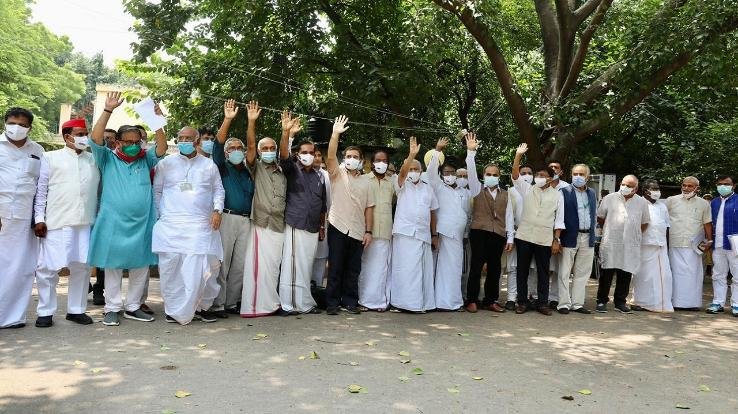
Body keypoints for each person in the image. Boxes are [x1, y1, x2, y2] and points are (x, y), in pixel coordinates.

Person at [87, 92, 167, 326]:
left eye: (137, 141)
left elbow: (161, 147)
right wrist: (108, 110)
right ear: (118, 142)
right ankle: (112, 307)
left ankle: (133, 306)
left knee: (140, 264)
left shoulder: (146, 158)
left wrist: (157, 122)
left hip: (143, 220)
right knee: (112, 265)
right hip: (113, 220)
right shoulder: (107, 158)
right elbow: (95, 137)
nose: (134, 146)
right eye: (128, 142)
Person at [152, 127, 225, 324]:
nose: (183, 141)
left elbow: (218, 190)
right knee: (170, 270)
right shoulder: (166, 163)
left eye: (188, 138)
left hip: (200, 226)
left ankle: (201, 307)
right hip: (170, 226)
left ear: (197, 140)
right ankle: (173, 310)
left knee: (202, 270)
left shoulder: (209, 165)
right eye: (180, 138)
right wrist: (161, 215)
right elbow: (156, 191)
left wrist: (217, 210)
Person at [33, 118, 99, 328]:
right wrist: (39, 219)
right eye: (79, 134)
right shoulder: (50, 157)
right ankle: (45, 312)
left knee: (82, 267)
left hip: (85, 222)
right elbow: (41, 191)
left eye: (85, 133)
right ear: (67, 136)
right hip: (56, 221)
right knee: (47, 268)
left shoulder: (94, 159)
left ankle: (76, 310)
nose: (83, 137)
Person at [240, 101, 288, 317]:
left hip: (279, 223)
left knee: (273, 267)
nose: (269, 151)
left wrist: (285, 133)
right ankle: (255, 307)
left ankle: (272, 304)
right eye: (264, 148)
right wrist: (251, 122)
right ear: (259, 151)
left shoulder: (282, 169)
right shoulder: (255, 166)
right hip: (261, 221)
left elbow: (286, 153)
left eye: (272, 148)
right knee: (259, 267)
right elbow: (249, 147)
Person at [325, 116, 375, 315]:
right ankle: (332, 304)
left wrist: (368, 231)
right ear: (344, 158)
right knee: (335, 267)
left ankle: (350, 302)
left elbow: (369, 208)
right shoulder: (337, 173)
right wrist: (335, 134)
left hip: (357, 230)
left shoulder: (366, 182)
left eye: (355, 157)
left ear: (361, 161)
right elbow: (330, 157)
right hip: (337, 225)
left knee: (353, 269)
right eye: (348, 156)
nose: (351, 159)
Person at [278, 112, 326, 316]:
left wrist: (322, 226)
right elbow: (283, 155)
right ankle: (288, 304)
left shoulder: (319, 176)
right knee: (291, 265)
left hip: (313, 227)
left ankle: (305, 303)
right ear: (298, 154)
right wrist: (287, 133)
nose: (308, 155)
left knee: (306, 266)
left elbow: (322, 204)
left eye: (311, 152)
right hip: (295, 223)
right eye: (304, 151)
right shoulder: (291, 169)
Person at [0, 107, 44, 329]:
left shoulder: (37, 150)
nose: (16, 127)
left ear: (29, 127)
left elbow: (40, 187)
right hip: (2, 215)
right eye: (12, 122)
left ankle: (13, 317)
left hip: (25, 219)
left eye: (22, 124)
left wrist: (39, 218)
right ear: (5, 122)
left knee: (23, 268)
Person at [211, 99, 256, 317]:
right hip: (226, 219)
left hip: (247, 220)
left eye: (239, 147)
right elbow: (218, 144)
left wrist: (250, 124)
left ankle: (231, 302)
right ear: (227, 152)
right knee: (223, 261)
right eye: (232, 148)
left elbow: (252, 147)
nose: (236, 150)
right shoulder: (222, 167)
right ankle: (218, 303)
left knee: (240, 264)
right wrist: (228, 119)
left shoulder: (249, 170)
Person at [510, 144, 565, 315]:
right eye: (537, 175)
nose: (539, 178)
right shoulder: (527, 189)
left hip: (544, 238)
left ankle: (542, 303)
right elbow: (515, 175)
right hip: (525, 236)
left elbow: (559, 221)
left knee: (543, 272)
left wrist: (556, 240)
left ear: (550, 178)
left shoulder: (558, 195)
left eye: (543, 175)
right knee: (522, 271)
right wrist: (518, 155)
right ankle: (522, 302)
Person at [429, 134, 480, 311]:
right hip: (440, 234)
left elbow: (468, 211)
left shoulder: (465, 191)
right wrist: (437, 151)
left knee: (454, 269)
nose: (449, 175)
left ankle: (452, 302)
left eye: (452, 173)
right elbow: (430, 172)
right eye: (446, 173)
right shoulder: (437, 186)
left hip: (458, 237)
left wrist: (471, 154)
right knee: (437, 268)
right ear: (442, 175)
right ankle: (436, 302)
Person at [389, 136, 439, 313]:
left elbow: (433, 213)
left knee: (421, 271)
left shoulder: (428, 188)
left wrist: (434, 235)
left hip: (423, 235)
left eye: (416, 169)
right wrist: (411, 155)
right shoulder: (401, 184)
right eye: (410, 168)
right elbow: (402, 173)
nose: (413, 171)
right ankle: (404, 303)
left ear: (421, 170)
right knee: (406, 269)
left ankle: (420, 303)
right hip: (405, 233)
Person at [596, 175, 650, 314]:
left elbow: (644, 223)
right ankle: (601, 301)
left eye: (630, 186)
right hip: (611, 242)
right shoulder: (609, 198)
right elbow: (601, 218)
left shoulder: (642, 202)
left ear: (636, 189)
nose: (626, 187)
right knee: (606, 272)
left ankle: (620, 302)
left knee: (625, 273)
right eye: (624, 184)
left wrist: (633, 233)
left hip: (630, 244)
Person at [464, 142, 507, 313]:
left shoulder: (505, 194)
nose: (491, 176)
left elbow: (508, 217)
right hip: (479, 232)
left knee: (495, 269)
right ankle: (472, 300)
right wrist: (471, 152)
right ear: (483, 175)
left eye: (494, 174)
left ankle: (491, 300)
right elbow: (471, 172)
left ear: (499, 176)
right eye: (488, 174)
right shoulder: (477, 189)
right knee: (476, 266)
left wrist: (509, 237)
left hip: (498, 233)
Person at [556, 164, 597, 314]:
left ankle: (577, 304)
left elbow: (594, 214)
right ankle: (563, 304)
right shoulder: (563, 192)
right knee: (565, 271)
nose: (578, 176)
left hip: (588, 236)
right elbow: (559, 216)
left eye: (581, 174)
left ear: (587, 177)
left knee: (583, 272)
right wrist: (557, 239)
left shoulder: (592, 193)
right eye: (575, 173)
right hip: (570, 236)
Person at [666, 176, 713, 310]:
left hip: (694, 246)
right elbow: (663, 221)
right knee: (674, 273)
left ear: (697, 188)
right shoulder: (671, 201)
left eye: (690, 186)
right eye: (684, 185)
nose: (686, 188)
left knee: (693, 274)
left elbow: (707, 223)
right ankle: (674, 303)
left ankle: (691, 304)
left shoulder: (704, 203)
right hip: (675, 242)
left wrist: (709, 240)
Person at [358, 149, 395, 311]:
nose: (381, 163)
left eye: (385, 161)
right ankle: (364, 301)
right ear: (371, 163)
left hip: (386, 231)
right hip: (366, 232)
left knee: (382, 269)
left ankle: (380, 302)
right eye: (378, 160)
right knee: (365, 267)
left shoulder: (392, 182)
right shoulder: (363, 180)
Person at [632, 179, 673, 312]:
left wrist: (666, 245)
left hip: (660, 246)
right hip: (643, 245)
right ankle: (640, 302)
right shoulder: (638, 203)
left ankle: (659, 303)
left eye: (657, 188)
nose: (657, 191)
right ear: (645, 191)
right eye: (653, 189)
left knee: (664, 276)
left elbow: (667, 226)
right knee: (643, 276)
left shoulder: (662, 206)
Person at [91, 128, 119, 306]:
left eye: (110, 138)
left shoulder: (115, 160)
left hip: (107, 211)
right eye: (104, 138)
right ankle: (85, 283)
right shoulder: (91, 158)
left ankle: (99, 288)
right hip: (87, 210)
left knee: (104, 251)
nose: (106, 140)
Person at [504, 165, 535, 310]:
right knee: (513, 267)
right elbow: (508, 215)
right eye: (523, 173)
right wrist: (510, 234)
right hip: (514, 233)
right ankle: (511, 297)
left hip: (532, 235)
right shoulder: (510, 191)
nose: (526, 175)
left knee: (529, 267)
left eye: (529, 173)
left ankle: (528, 295)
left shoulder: (537, 190)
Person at [706, 175, 738, 316]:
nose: (723, 186)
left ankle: (736, 304)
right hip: (717, 245)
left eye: (726, 183)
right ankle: (718, 302)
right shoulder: (713, 203)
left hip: (735, 245)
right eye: (720, 184)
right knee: (718, 274)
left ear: (734, 186)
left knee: (737, 276)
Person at [546, 159, 570, 309]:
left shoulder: (567, 188)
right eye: (551, 168)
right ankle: (534, 295)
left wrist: (558, 237)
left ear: (561, 172)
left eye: (556, 167)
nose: (554, 169)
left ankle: (554, 297)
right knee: (540, 266)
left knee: (557, 268)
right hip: (542, 232)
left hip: (562, 233)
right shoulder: (539, 186)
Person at [311, 148, 332, 288]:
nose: (317, 158)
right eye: (314, 155)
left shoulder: (327, 175)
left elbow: (330, 200)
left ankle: (318, 288)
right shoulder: (302, 174)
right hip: (307, 221)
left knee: (321, 256)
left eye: (319, 155)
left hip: (325, 220)